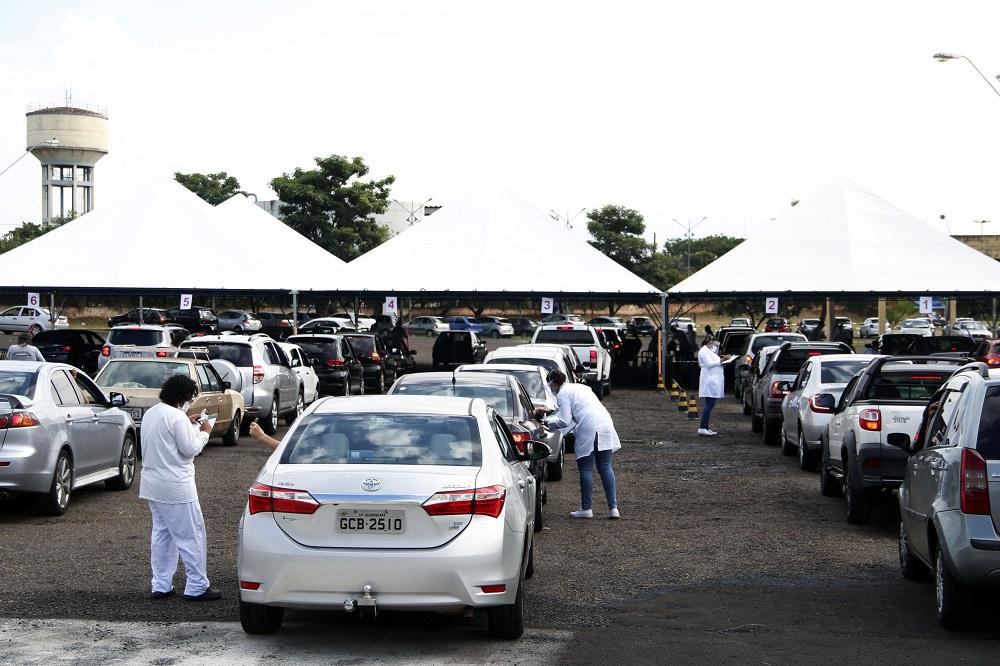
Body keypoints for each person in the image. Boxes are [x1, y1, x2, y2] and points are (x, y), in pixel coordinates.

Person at [138, 375, 220, 602]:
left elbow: (168, 439)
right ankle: (197, 585)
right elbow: (189, 448)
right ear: (183, 397)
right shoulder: (177, 418)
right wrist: (205, 431)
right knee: (191, 535)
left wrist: (188, 422)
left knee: (162, 535)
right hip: (176, 486)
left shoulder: (152, 413)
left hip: (153, 484)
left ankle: (161, 584)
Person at [535, 370, 621, 519]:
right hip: (605, 422)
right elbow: (573, 410)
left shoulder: (562, 393)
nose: (552, 390)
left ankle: (586, 508)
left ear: (554, 383)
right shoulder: (580, 387)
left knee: (585, 468)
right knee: (605, 466)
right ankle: (614, 508)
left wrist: (545, 421)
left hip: (588, 425)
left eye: (551, 387)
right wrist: (551, 414)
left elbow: (564, 420)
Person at [697, 336, 729, 436]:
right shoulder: (703, 351)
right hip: (709, 380)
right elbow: (709, 364)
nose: (715, 346)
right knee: (709, 404)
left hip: (713, 380)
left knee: (710, 404)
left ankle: (705, 427)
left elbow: (715, 362)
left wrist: (724, 360)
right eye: (714, 344)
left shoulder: (709, 351)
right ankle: (702, 427)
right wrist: (722, 360)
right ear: (708, 342)